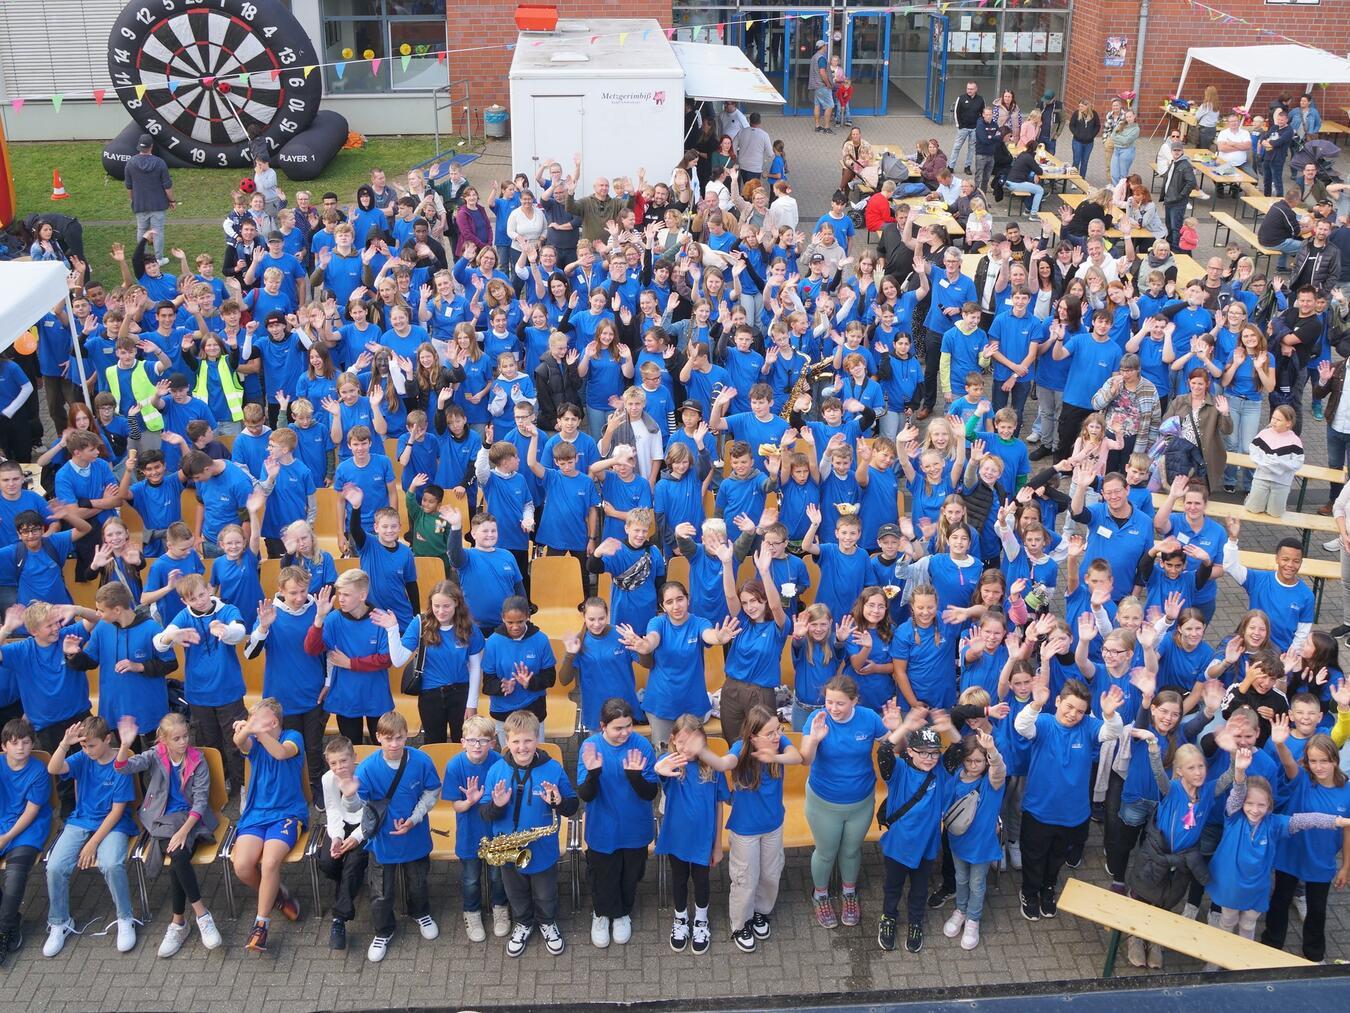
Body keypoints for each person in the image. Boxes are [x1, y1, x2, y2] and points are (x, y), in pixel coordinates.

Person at [112, 713, 222, 957]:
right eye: (177, 738)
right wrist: (125, 745)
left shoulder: (198, 760)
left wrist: (184, 831)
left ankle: (179, 923)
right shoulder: (155, 755)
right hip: (161, 821)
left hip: (191, 820)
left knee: (177, 857)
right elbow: (122, 768)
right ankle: (201, 915)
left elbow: (201, 802)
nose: (183, 742)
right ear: (163, 739)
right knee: (179, 857)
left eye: (185, 736)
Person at [1015, 677, 1126, 920]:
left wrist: (1109, 714)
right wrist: (1035, 705)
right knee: (1034, 856)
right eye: (1069, 707)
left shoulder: (1089, 726)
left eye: (1080, 711)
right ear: (1057, 701)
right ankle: (1029, 892)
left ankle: (1048, 889)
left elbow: (1112, 732)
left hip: (1072, 813)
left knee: (1056, 857)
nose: (1073, 714)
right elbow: (1021, 727)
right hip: (1039, 809)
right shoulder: (1042, 723)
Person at [482, 709, 578, 958]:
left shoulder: (553, 769)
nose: (522, 747)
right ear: (506, 741)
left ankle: (547, 922)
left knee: (546, 893)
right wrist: (497, 805)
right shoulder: (496, 770)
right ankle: (523, 923)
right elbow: (485, 813)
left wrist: (558, 802)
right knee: (516, 892)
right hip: (507, 849)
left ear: (537, 739)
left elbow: (572, 806)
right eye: (515, 741)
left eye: (527, 740)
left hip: (542, 847)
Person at [799, 675, 892, 929]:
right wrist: (816, 739)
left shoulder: (869, 718)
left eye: (840, 703)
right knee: (826, 852)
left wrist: (896, 729)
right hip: (824, 801)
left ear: (854, 701)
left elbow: (896, 747)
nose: (833, 709)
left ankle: (849, 892)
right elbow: (805, 760)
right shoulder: (816, 719)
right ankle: (820, 895)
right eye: (829, 702)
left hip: (861, 800)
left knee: (851, 850)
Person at [42, 715, 138, 957]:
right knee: (54, 866)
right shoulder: (82, 757)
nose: (87, 750)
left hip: (114, 824)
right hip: (81, 820)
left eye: (91, 745)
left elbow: (117, 812)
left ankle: (125, 918)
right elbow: (53, 768)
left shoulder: (120, 763)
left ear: (107, 739)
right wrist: (65, 743)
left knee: (111, 863)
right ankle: (60, 922)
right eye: (83, 746)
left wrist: (93, 843)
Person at [351, 709, 442, 961]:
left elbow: (432, 792)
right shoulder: (368, 768)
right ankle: (383, 930)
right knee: (381, 891)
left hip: (415, 835)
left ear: (407, 736)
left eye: (399, 738)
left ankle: (420, 912)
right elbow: (356, 807)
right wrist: (348, 794)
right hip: (382, 840)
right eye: (388, 738)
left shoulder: (421, 761)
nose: (394, 744)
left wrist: (414, 819)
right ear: (378, 737)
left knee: (419, 881)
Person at [576, 697, 656, 949]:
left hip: (634, 826)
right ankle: (601, 914)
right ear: (603, 726)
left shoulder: (642, 746)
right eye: (618, 728)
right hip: (602, 826)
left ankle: (622, 913)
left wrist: (635, 777)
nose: (625, 733)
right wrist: (593, 773)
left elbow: (650, 793)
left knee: (630, 874)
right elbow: (586, 795)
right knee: (603, 875)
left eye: (628, 726)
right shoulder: (590, 747)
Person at [229, 698, 307, 953]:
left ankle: (260, 925)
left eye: (256, 716)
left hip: (287, 813)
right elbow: (238, 743)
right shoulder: (255, 741)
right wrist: (246, 731)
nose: (251, 718)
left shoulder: (292, 736)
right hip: (255, 814)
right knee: (242, 867)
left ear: (272, 721)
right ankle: (276, 895)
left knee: (271, 862)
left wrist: (258, 732)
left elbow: (281, 753)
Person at [654, 713, 728, 954]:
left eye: (694, 742)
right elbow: (656, 774)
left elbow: (718, 806)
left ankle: (701, 920)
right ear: (673, 740)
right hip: (677, 838)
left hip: (703, 839)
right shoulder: (671, 764)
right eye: (682, 741)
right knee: (678, 879)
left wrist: (717, 844)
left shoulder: (713, 769)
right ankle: (680, 919)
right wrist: (658, 767)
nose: (687, 748)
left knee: (701, 880)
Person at [0, 717, 53, 959]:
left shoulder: (38, 770)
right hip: (2, 825)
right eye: (14, 743)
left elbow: (31, 812)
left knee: (14, 877)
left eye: (25, 742)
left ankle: (7, 930)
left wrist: (5, 837)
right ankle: (9, 916)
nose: (20, 747)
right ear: (4, 746)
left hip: (28, 829)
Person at [315, 736, 367, 951]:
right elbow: (333, 809)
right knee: (327, 861)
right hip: (341, 824)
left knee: (353, 863)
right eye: (333, 763)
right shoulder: (328, 779)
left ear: (354, 757)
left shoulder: (366, 775)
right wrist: (336, 837)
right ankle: (348, 884)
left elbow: (371, 813)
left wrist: (355, 838)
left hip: (365, 828)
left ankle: (339, 919)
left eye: (344, 761)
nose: (339, 767)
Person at [1245, 404, 1304, 517]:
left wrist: (1281, 464)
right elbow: (1253, 450)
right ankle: (1251, 498)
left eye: (1278, 420)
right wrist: (1263, 462)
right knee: (1253, 509)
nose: (1274, 422)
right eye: (1273, 418)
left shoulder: (1294, 441)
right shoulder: (1264, 434)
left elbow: (1297, 462)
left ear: (1288, 423)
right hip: (1262, 478)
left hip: (1281, 482)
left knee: (1275, 514)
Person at [125, 135, 176, 264]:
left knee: (142, 230)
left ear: (139, 147)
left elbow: (129, 186)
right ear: (151, 146)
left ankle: (143, 258)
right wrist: (172, 200)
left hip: (140, 204)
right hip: (158, 204)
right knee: (157, 231)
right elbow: (167, 186)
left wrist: (132, 200)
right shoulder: (160, 163)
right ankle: (158, 259)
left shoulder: (131, 163)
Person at [1159, 143, 1198, 250]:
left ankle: (1176, 249)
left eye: (1179, 150)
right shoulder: (1174, 163)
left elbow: (1191, 182)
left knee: (1175, 227)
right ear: (1171, 151)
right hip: (1169, 200)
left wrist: (1181, 196)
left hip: (1177, 202)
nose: (1176, 152)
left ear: (1182, 152)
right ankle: (1170, 246)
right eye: (1174, 150)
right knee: (1169, 225)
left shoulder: (1185, 165)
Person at [951, 82, 985, 175]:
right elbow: (956, 112)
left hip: (975, 129)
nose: (969, 90)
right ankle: (950, 166)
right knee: (956, 147)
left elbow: (983, 114)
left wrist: (980, 127)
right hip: (963, 128)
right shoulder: (961, 98)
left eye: (971, 89)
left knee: (971, 149)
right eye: (968, 88)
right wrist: (959, 125)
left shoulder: (980, 99)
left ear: (976, 89)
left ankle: (967, 167)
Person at [1068, 100, 1101, 180]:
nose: (1080, 108)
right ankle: (1074, 179)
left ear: (1087, 107)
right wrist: (1077, 134)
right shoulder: (1076, 113)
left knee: (1085, 161)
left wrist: (1092, 135)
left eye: (1082, 106)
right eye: (1079, 106)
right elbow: (1071, 125)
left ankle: (1082, 178)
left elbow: (1097, 126)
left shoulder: (1094, 114)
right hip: (1077, 141)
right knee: (1076, 160)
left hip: (1089, 143)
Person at [812, 40, 835, 134]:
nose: (826, 47)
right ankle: (826, 127)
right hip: (822, 85)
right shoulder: (821, 58)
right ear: (822, 46)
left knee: (817, 105)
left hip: (816, 85)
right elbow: (822, 72)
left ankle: (817, 126)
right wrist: (828, 83)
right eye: (825, 45)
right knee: (830, 105)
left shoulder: (814, 57)